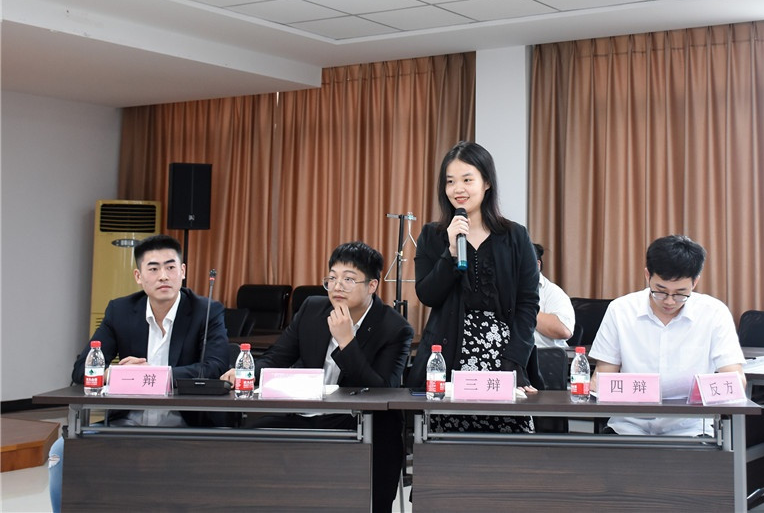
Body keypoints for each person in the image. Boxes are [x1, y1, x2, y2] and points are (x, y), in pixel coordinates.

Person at [221, 241, 413, 513]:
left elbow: (383, 390)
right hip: (307, 412)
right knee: (245, 440)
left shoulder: (395, 328)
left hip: (360, 421)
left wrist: (347, 342)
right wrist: (248, 374)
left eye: (348, 279)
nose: (337, 287)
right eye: (332, 278)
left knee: (380, 450)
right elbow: (278, 356)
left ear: (372, 285)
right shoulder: (312, 309)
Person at [49, 234, 229, 512]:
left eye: (171, 267)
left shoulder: (207, 311)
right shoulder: (120, 310)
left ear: (183, 271)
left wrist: (153, 374)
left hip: (188, 425)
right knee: (61, 451)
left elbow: (214, 367)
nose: (163, 276)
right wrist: (115, 374)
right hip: (126, 423)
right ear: (138, 276)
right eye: (153, 268)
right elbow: (81, 369)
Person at [408, 140, 540, 433]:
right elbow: (427, 294)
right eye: (450, 181)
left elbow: (528, 304)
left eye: (467, 180)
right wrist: (450, 252)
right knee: (447, 446)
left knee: (508, 446)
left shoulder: (516, 236)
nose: (458, 189)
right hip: (449, 355)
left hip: (504, 357)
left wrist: (514, 362)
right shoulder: (432, 235)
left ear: (487, 182)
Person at [589, 234, 746, 436]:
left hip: (691, 426)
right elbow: (604, 376)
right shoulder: (620, 310)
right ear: (647, 275)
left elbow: (735, 379)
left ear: (695, 282)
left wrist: (708, 390)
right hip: (629, 424)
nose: (670, 301)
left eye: (680, 293)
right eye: (660, 291)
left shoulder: (714, 313)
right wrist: (598, 385)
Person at [531, 243, 575, 348]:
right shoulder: (500, 290)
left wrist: (525, 310)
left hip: (546, 355)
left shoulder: (552, 292)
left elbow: (564, 330)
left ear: (537, 265)